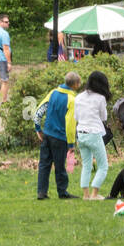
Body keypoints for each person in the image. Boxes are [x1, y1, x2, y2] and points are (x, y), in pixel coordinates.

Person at [35, 72, 80, 200]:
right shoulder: (72, 100)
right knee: (60, 166)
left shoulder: (53, 92)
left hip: (47, 133)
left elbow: (40, 110)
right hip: (59, 137)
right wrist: (71, 143)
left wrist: (38, 128)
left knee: (44, 164)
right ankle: (62, 192)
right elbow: (70, 124)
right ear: (76, 85)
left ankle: (41, 192)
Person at [73, 70, 111, 200]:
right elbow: (103, 117)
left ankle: (86, 195)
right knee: (103, 166)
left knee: (86, 165)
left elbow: (76, 117)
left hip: (80, 134)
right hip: (94, 134)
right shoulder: (100, 98)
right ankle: (95, 194)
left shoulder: (78, 97)